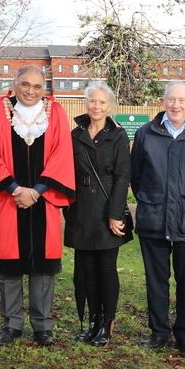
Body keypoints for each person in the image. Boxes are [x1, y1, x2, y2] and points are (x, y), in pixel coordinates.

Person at [0, 65, 76, 346]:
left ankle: (42, 326)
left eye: (37, 86)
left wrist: (35, 192)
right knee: (8, 264)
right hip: (8, 199)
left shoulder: (55, 112)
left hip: (42, 200)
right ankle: (11, 325)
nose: (31, 91)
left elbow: (62, 155)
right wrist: (15, 189)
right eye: (25, 84)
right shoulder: (0, 110)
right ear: (15, 83)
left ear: (44, 88)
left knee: (43, 267)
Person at [130, 81, 185, 356]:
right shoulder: (145, 134)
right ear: (163, 102)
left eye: (181, 100)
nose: (176, 105)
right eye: (171, 99)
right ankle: (158, 332)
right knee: (156, 280)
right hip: (153, 218)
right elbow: (136, 176)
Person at [64, 81, 133, 347]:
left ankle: (107, 324)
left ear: (109, 106)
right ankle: (93, 322)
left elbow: (122, 175)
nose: (96, 106)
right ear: (86, 103)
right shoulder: (74, 134)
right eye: (92, 101)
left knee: (106, 268)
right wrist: (67, 207)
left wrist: (115, 213)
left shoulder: (117, 135)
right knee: (87, 270)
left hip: (107, 207)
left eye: (102, 102)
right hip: (81, 209)